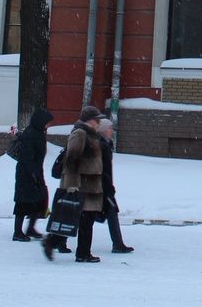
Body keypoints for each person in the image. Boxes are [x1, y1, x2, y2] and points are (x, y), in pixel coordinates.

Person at [43, 105, 105, 263]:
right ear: (90, 120)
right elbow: (71, 160)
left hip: (89, 185)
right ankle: (56, 243)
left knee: (84, 220)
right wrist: (71, 184)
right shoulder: (80, 133)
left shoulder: (91, 135)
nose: (99, 123)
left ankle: (81, 252)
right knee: (77, 219)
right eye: (97, 120)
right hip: (80, 185)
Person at [12, 107, 52, 242]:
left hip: (35, 171)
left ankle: (30, 228)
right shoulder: (31, 134)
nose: (48, 125)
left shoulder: (38, 132)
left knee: (39, 200)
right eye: (47, 122)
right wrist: (34, 174)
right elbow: (27, 157)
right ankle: (17, 232)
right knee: (22, 202)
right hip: (26, 173)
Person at [97, 118, 134, 253]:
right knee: (88, 213)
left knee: (109, 212)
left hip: (104, 185)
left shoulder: (106, 144)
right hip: (101, 185)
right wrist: (107, 185)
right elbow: (101, 168)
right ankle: (57, 239)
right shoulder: (101, 145)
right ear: (102, 130)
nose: (112, 131)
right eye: (109, 128)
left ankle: (118, 244)